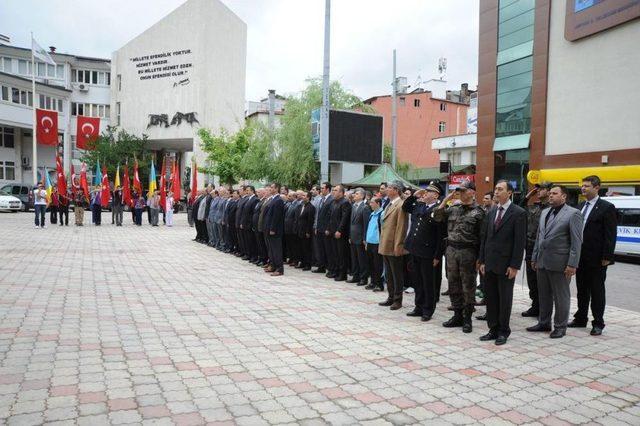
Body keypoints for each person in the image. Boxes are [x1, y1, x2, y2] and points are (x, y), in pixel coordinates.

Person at [528, 185, 583, 339]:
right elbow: (540, 237)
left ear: (564, 196)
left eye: (554, 193)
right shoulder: (545, 212)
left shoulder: (573, 214)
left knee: (561, 297)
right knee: (544, 294)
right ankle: (544, 322)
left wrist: (572, 264)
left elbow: (576, 242)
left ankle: (560, 326)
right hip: (542, 261)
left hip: (561, 263)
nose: (550, 196)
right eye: (550, 193)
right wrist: (534, 257)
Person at [478, 181, 527, 345]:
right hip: (490, 263)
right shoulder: (492, 212)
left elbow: (519, 243)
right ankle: (492, 328)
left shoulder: (518, 213)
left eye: (500, 189)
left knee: (504, 299)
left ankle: (503, 331)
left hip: (506, 266)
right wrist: (482, 260)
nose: (496, 192)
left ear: (510, 193)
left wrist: (514, 265)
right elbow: (486, 238)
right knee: (491, 298)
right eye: (496, 190)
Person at [434, 180, 485, 333]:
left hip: (468, 252)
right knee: (453, 284)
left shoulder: (479, 212)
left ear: (472, 192)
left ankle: (467, 318)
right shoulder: (453, 209)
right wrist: (445, 200)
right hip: (451, 250)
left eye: (464, 191)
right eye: (459, 191)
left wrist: (480, 259)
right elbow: (437, 216)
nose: (461, 194)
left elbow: (483, 238)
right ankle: (457, 315)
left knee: (468, 287)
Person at [570, 175, 617, 336]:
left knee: (597, 291)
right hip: (580, 257)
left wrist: (607, 256)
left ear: (597, 188)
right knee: (581, 290)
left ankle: (598, 322)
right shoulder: (580, 206)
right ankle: (580, 318)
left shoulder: (606, 207)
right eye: (582, 186)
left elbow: (610, 235)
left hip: (597, 258)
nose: (583, 188)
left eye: (587, 186)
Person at [403, 184, 444, 322]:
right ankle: (418, 306)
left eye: (429, 191)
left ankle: (428, 309)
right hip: (414, 249)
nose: (425, 193)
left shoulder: (438, 210)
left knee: (428, 283)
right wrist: (414, 195)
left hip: (428, 252)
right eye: (425, 191)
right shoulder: (419, 205)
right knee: (417, 281)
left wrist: (438, 255)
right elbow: (405, 207)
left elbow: (440, 236)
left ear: (436, 195)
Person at [519, 181, 552, 317]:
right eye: (537, 189)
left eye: (541, 189)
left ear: (549, 191)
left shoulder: (552, 208)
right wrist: (528, 195)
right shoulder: (534, 207)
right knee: (532, 280)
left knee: (542, 282)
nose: (538, 191)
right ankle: (535, 306)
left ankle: (544, 309)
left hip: (543, 249)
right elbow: (519, 209)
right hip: (530, 247)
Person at [378, 181, 408, 310]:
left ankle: (397, 299)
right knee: (389, 274)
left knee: (396, 274)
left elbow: (401, 227)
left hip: (393, 245)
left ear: (396, 190)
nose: (387, 190)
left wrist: (398, 245)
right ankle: (390, 297)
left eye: (389, 188)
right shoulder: (389, 204)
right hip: (385, 243)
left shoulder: (401, 205)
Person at [328, 185, 352, 282]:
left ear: (341, 193)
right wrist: (329, 228)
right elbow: (331, 217)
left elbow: (344, 218)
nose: (333, 192)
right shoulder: (333, 202)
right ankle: (336, 271)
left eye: (336, 190)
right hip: (333, 231)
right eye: (333, 190)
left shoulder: (345, 203)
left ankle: (343, 274)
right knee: (335, 253)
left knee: (342, 254)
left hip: (341, 233)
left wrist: (339, 230)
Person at [348, 188, 371, 286]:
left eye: (356, 194)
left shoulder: (365, 207)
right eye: (354, 194)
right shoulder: (353, 206)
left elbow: (366, 224)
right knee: (354, 258)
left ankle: (363, 278)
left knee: (362, 259)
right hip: (353, 236)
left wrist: (365, 238)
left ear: (362, 196)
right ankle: (355, 276)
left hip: (360, 237)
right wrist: (349, 235)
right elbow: (351, 223)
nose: (354, 195)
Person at [263, 183, 285, 276]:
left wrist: (272, 228)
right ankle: (273, 265)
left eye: (272, 188)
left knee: (276, 250)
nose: (270, 189)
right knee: (271, 249)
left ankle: (279, 269)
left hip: (275, 230)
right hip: (269, 228)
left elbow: (276, 216)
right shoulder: (273, 199)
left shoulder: (278, 200)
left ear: (276, 189)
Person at [312, 182, 333, 274]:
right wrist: (317, 226)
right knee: (320, 249)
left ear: (328, 189)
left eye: (323, 188)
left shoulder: (331, 199)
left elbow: (330, 216)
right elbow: (319, 214)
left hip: (326, 229)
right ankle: (321, 266)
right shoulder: (321, 199)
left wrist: (328, 228)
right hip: (320, 228)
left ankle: (330, 268)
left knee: (328, 250)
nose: (321, 190)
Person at [365, 197, 384, 292]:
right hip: (370, 242)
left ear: (378, 203)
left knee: (378, 265)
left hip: (378, 243)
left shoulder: (382, 214)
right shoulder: (372, 214)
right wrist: (366, 241)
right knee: (370, 264)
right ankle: (372, 282)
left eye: (372, 202)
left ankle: (379, 284)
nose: (370, 204)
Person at [296, 191, 316, 270]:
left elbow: (310, 221)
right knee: (301, 247)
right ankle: (302, 262)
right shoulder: (301, 206)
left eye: (304, 195)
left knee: (306, 248)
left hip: (306, 230)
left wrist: (308, 231)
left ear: (308, 197)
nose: (302, 197)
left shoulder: (311, 207)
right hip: (300, 230)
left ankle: (308, 264)